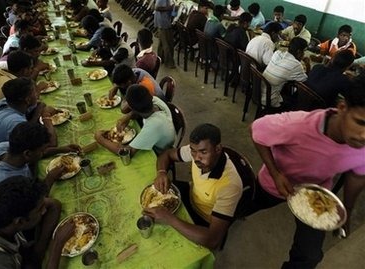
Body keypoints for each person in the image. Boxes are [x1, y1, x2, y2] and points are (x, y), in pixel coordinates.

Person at [249, 75, 365, 268]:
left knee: (310, 256)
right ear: (343, 108)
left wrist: (346, 213)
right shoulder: (296, 125)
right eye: (361, 122)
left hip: (316, 196)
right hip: (276, 183)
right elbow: (256, 130)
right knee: (239, 206)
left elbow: (357, 176)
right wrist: (276, 173)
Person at [144, 123, 243, 249]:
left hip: (203, 219)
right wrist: (162, 173)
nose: (196, 158)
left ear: (218, 149)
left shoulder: (230, 185)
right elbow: (167, 154)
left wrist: (169, 218)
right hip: (191, 193)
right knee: (151, 198)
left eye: (203, 152)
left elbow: (213, 240)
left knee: (164, 244)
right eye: (193, 151)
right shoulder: (196, 152)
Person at [0, 176, 75, 269]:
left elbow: (53, 204)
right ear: (20, 221)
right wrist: (57, 243)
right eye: (40, 209)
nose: (44, 210)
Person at [0, 121, 80, 206]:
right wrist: (50, 178)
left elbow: (35, 152)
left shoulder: (4, 147)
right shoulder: (6, 181)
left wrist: (61, 149)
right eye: (42, 151)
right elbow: (34, 206)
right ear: (27, 153)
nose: (43, 153)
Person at [0, 77, 57, 157]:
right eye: (35, 93)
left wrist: (38, 110)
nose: (37, 95)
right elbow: (49, 145)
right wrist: (46, 116)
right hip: (2, 160)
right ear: (27, 100)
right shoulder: (15, 122)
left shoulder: (7, 101)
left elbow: (36, 106)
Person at [95, 84, 175, 156]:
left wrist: (101, 139)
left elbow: (127, 152)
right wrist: (129, 115)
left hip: (160, 152)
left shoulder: (154, 125)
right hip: (158, 137)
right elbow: (141, 109)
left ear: (131, 107)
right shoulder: (154, 100)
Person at [262, 37, 310, 108]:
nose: (304, 54)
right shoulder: (296, 65)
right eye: (304, 52)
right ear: (299, 52)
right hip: (270, 99)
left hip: (258, 92)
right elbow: (305, 82)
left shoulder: (277, 53)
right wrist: (307, 65)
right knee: (297, 99)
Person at [154, 0, 176, 68]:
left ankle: (160, 59)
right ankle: (169, 63)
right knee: (167, 43)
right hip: (163, 23)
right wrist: (169, 8)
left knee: (162, 42)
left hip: (162, 22)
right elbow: (157, 7)